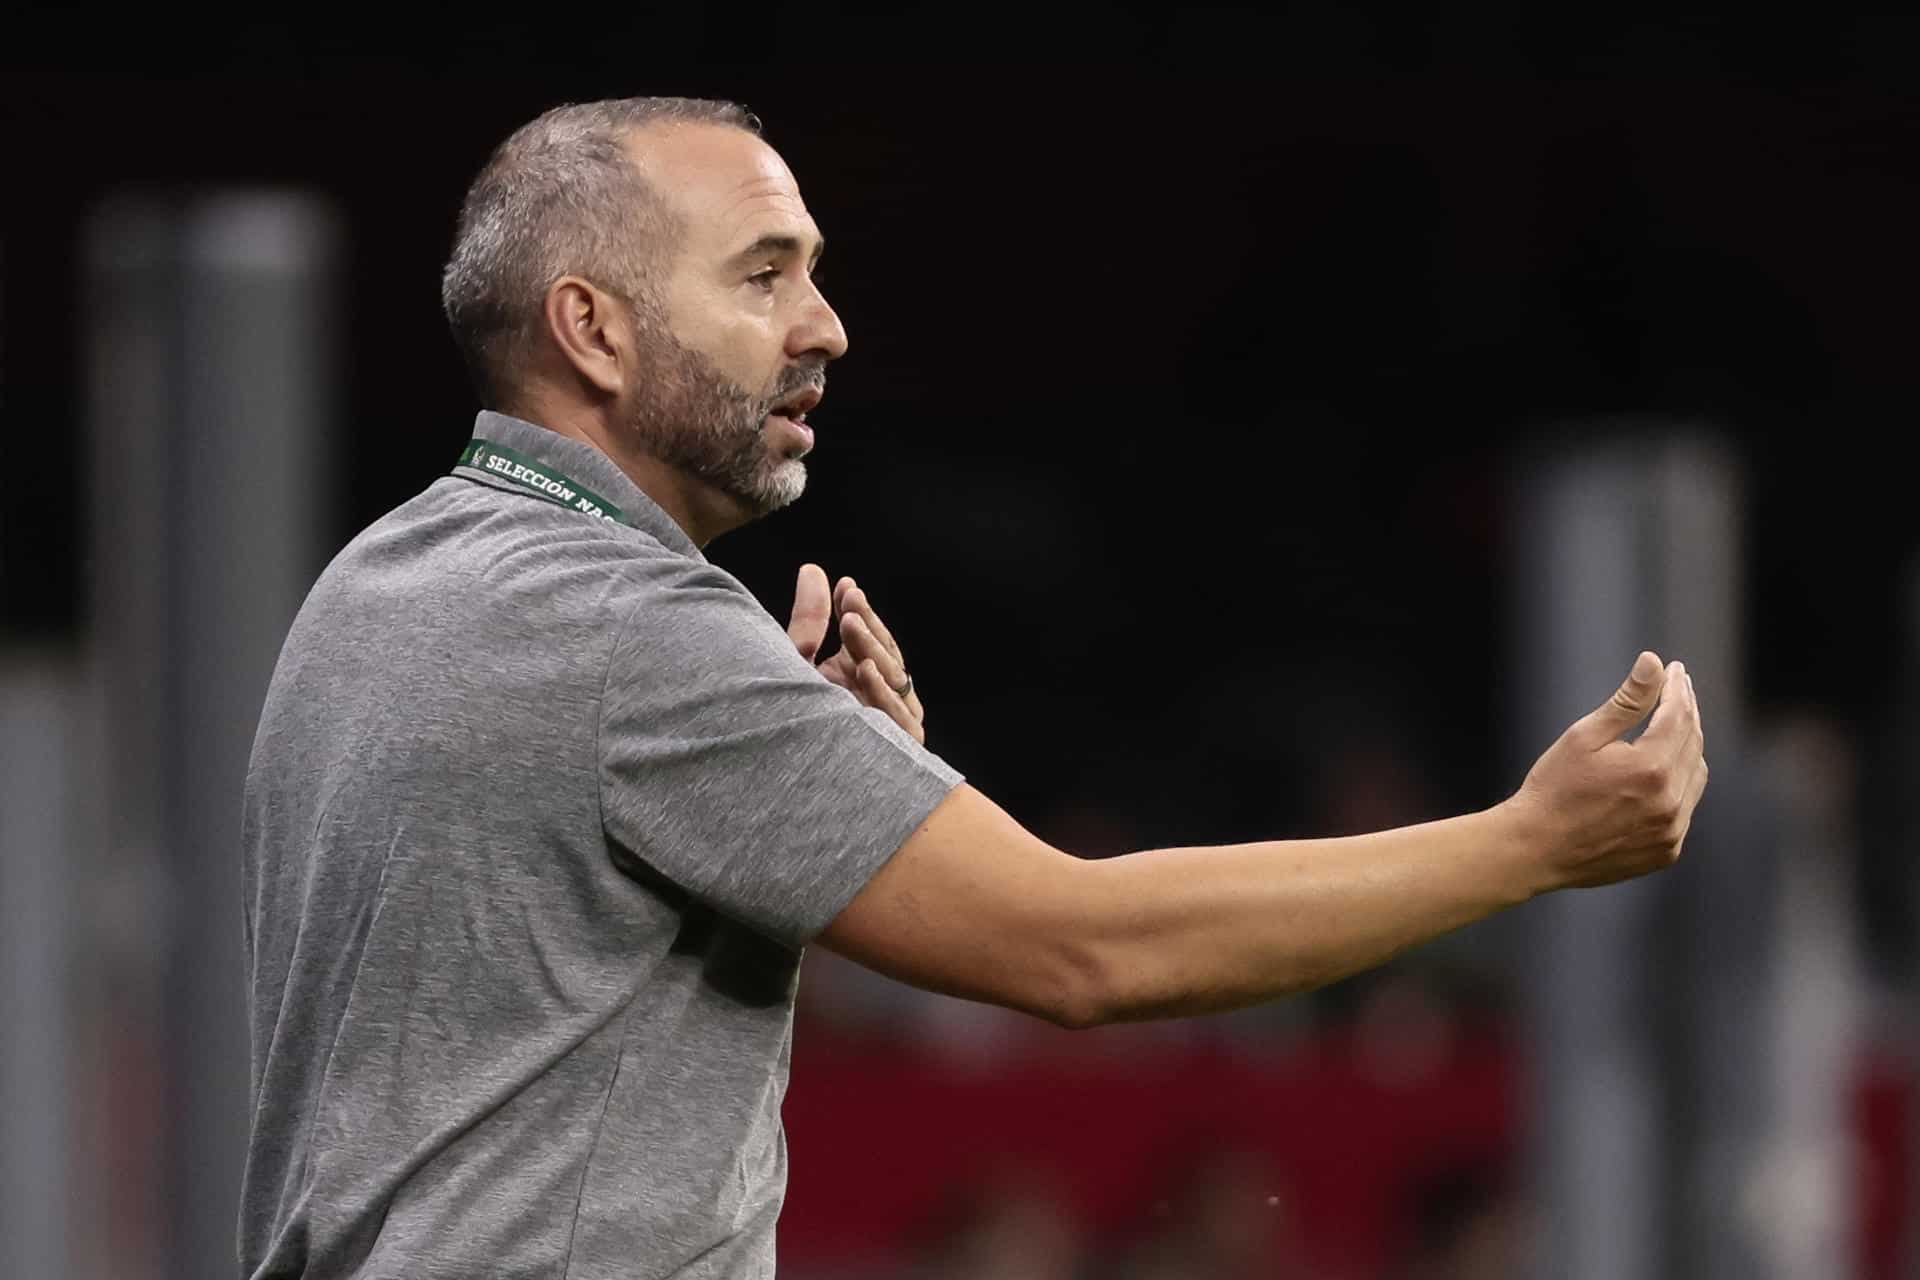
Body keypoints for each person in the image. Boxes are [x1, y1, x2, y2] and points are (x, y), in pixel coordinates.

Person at [238, 96, 1709, 1280]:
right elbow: (1081, 953)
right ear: (594, 328)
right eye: (763, 275)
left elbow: (536, 1025)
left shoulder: (380, 585)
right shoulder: (635, 630)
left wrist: (814, 804)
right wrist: (1527, 845)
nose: (826, 328)